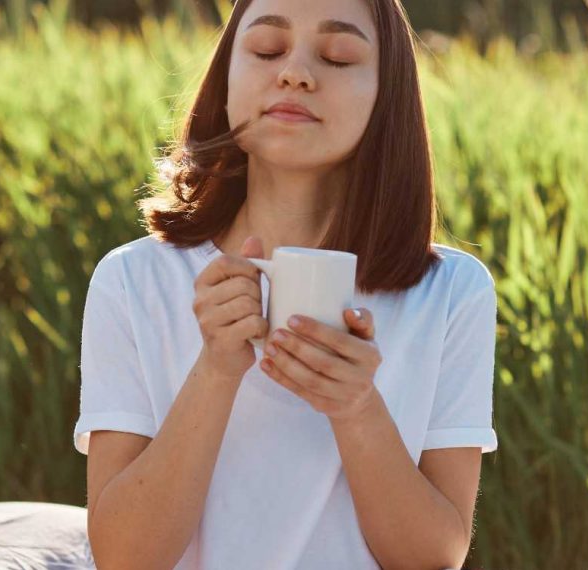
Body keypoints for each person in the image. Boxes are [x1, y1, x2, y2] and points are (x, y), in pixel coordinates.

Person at [73, 0, 498, 568]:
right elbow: (124, 558)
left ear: (387, 94)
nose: (295, 72)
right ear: (226, 79)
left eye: (338, 56)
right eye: (267, 50)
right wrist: (216, 369)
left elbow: (433, 558)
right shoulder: (133, 281)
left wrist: (357, 409)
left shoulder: (449, 293)